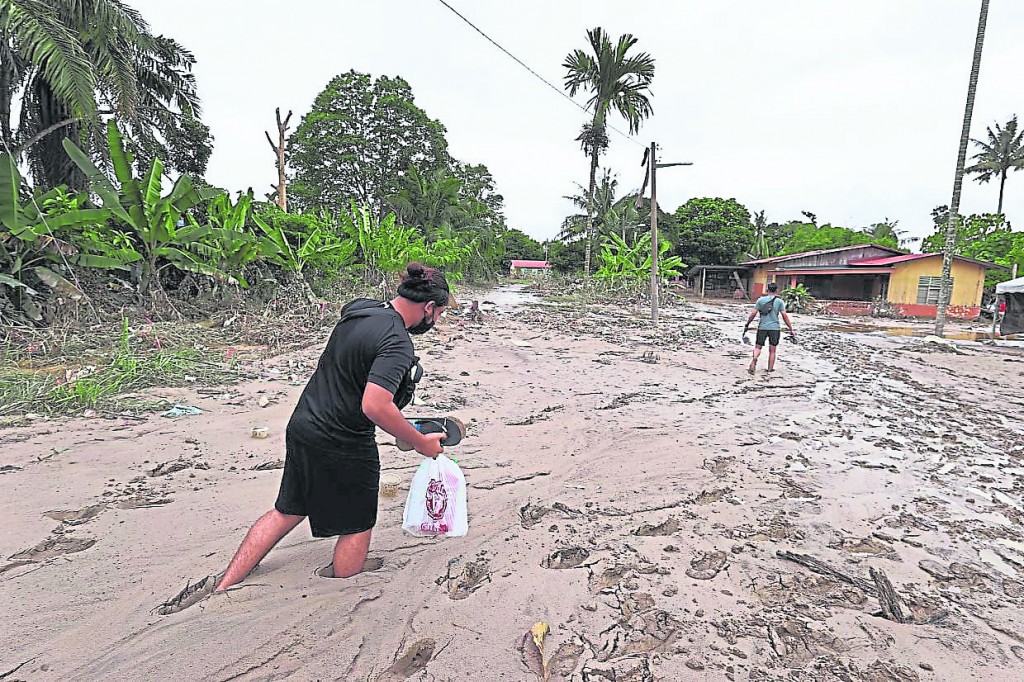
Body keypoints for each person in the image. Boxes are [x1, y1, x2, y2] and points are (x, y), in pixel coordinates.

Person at [215, 263, 450, 591]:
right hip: (343, 439)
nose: (436, 321)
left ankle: (225, 585)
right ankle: (341, 598)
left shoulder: (361, 310)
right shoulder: (397, 342)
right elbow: (375, 405)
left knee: (287, 510)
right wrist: (420, 442)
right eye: (438, 314)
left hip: (304, 424)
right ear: (428, 308)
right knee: (357, 524)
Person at [743, 282, 795, 374]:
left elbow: (753, 314)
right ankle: (770, 369)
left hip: (762, 327)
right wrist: (790, 328)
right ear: (776, 290)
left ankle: (754, 359)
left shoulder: (760, 300)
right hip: (775, 328)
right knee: (772, 350)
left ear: (767, 290)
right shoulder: (779, 301)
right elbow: (784, 316)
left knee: (758, 347)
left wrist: (747, 324)